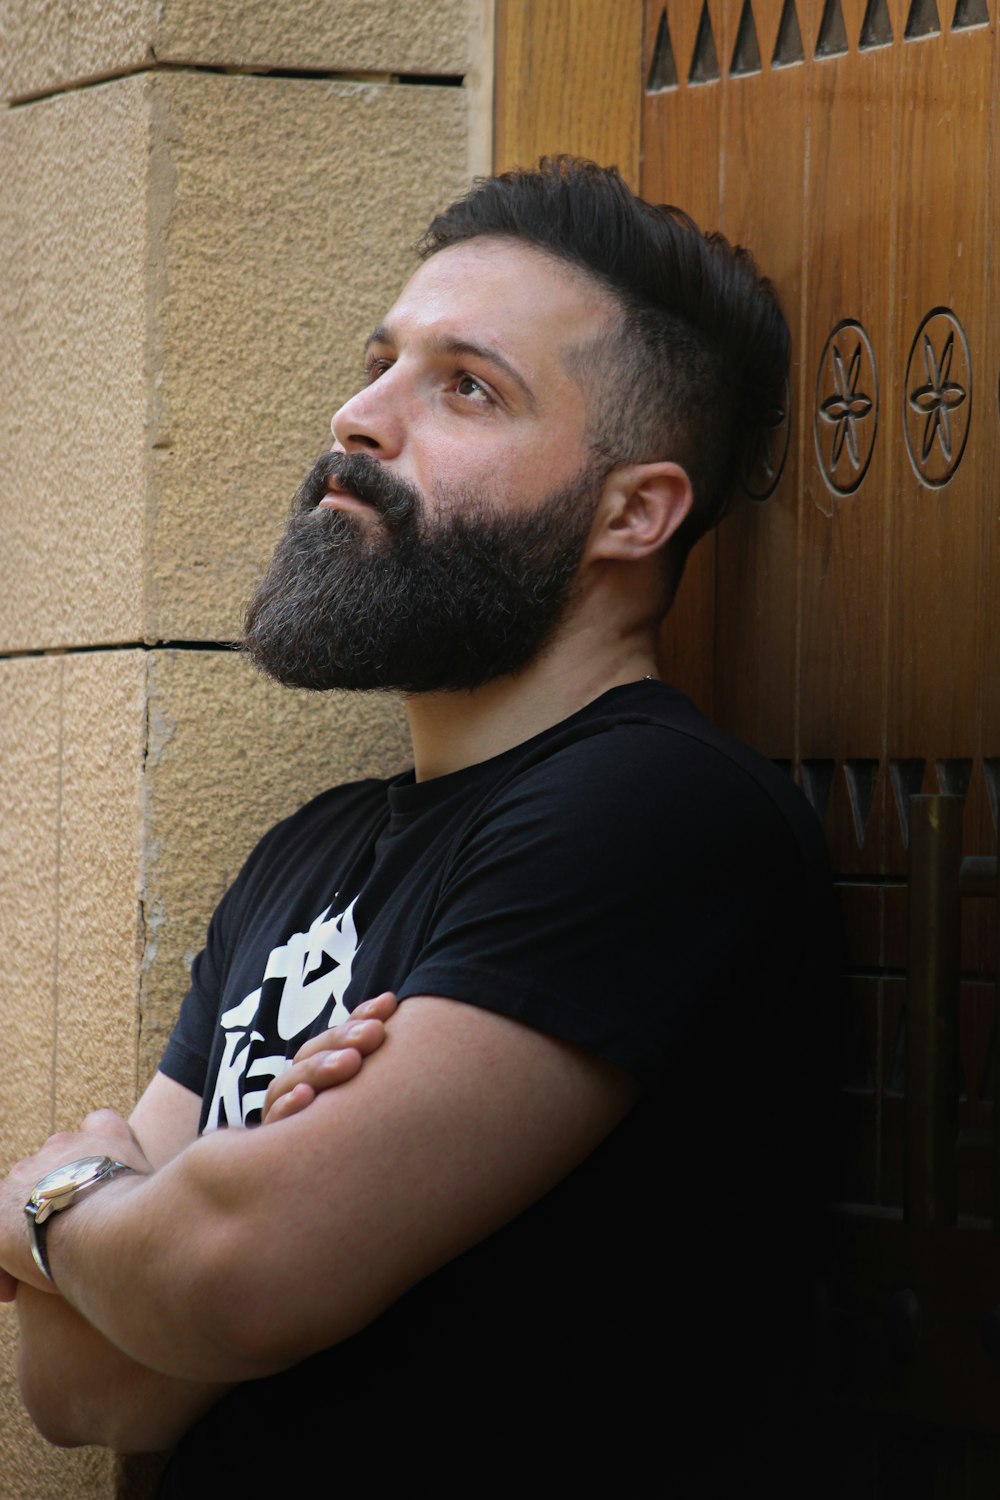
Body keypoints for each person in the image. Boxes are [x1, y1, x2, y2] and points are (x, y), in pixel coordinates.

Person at [1, 158, 837, 1494]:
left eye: (467, 387)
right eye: (378, 361)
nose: (358, 417)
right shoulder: (308, 851)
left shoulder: (663, 817)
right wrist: (167, 1231)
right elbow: (84, 1393)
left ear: (636, 512)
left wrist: (50, 1200)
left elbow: (237, 1278)